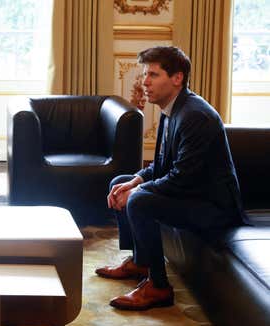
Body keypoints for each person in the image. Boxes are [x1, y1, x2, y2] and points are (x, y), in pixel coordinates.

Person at [96, 46, 246, 310]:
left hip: (213, 207)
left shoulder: (194, 116)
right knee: (120, 182)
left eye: (153, 74)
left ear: (177, 78)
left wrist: (138, 193)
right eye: (145, 74)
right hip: (191, 194)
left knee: (139, 201)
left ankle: (159, 287)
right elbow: (162, 165)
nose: (145, 82)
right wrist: (134, 182)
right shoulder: (171, 109)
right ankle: (141, 261)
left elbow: (181, 178)